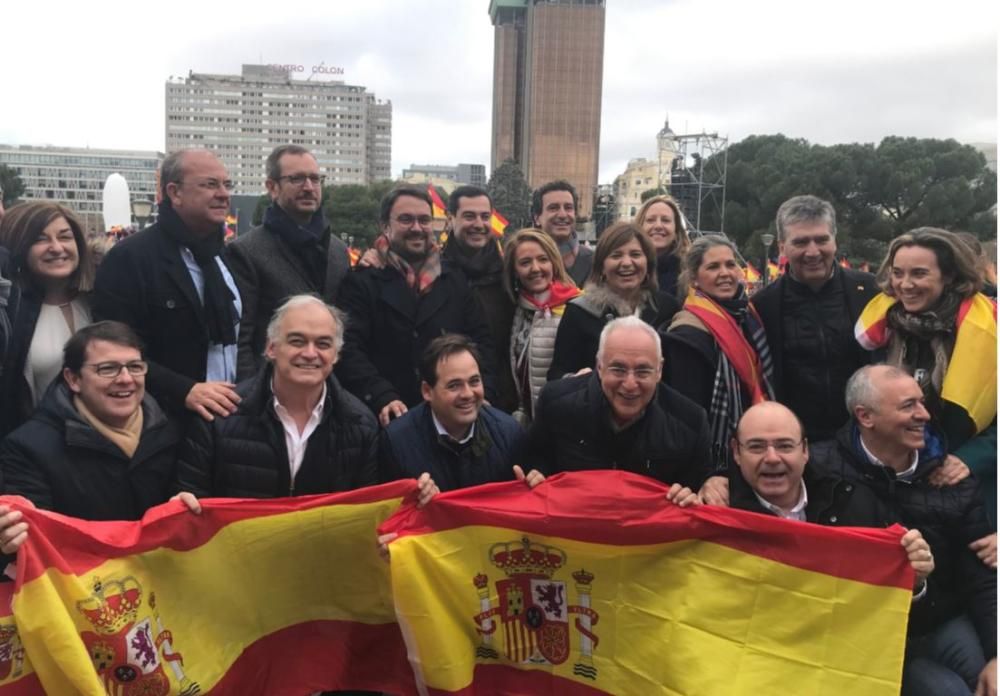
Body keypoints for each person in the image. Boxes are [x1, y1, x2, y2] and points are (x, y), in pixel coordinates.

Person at [798, 366, 994, 696]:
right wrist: (715, 478)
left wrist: (998, 654)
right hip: (856, 632)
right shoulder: (816, 469)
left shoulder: (952, 479)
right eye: (908, 406)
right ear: (865, 416)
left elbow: (982, 575)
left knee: (987, 678)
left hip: (936, 619)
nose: (925, 415)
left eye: (922, 402)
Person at [857, 227, 997, 544]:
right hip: (895, 487)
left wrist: (972, 457)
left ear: (948, 276)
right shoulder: (882, 326)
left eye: (919, 273)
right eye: (898, 273)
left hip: (969, 492)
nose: (905, 285)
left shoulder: (990, 328)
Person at [0, 322, 182, 556]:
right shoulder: (28, 449)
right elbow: (30, 546)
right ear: (73, 379)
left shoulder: (173, 430)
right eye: (107, 369)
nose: (126, 379)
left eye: (135, 367)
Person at [174, 295, 380, 499]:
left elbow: (365, 512)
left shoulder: (361, 424)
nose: (310, 353)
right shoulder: (220, 415)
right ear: (271, 348)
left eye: (323, 344)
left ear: (336, 354)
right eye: (297, 341)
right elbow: (190, 503)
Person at [93, 149, 243, 422]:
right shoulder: (130, 258)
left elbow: (243, 339)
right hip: (165, 422)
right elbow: (112, 350)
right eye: (210, 184)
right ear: (174, 193)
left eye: (226, 184)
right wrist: (184, 390)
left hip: (230, 417)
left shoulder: (226, 257)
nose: (224, 194)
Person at [335, 186, 495, 426]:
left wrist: (483, 391)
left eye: (424, 220)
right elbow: (348, 348)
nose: (417, 228)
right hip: (389, 415)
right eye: (406, 220)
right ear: (385, 225)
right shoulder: (362, 280)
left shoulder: (454, 279)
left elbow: (481, 341)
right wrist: (381, 395)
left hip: (451, 415)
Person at [525, 316, 712, 491]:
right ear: (599, 366)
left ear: (659, 370)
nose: (630, 384)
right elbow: (535, 458)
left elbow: (702, 483)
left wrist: (702, 488)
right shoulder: (556, 403)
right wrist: (534, 474)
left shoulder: (691, 423)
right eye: (618, 369)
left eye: (642, 371)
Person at [752, 194, 878, 441]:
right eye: (800, 242)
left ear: (835, 240)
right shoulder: (762, 306)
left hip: (866, 437)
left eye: (821, 240)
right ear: (782, 247)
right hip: (797, 441)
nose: (813, 252)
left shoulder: (871, 292)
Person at [664, 236, 774, 501]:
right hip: (713, 469)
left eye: (730, 264)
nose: (725, 273)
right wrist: (706, 474)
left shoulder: (748, 317)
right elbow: (687, 413)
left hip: (752, 448)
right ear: (694, 279)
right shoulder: (687, 332)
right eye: (713, 267)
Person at [227, 145, 351, 381]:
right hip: (271, 390)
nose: (308, 187)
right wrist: (251, 399)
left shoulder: (338, 250)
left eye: (315, 179)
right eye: (296, 179)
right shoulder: (245, 251)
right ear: (272, 187)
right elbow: (241, 339)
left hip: (328, 389)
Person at [379, 334, 527, 492]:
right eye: (454, 385)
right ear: (427, 391)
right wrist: (415, 500)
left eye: (474, 381)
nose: (468, 394)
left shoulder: (509, 433)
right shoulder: (396, 442)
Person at [0, 202, 94, 436]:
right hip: (31, 450)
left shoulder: (101, 299)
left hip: (100, 449)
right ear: (19, 245)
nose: (56, 247)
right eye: (40, 239)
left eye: (65, 237)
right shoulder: (11, 311)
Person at [548, 221, 680, 379]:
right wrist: (576, 380)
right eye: (616, 255)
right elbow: (556, 374)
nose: (626, 263)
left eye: (635, 255)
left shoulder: (667, 308)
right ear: (601, 266)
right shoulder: (579, 311)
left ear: (648, 263)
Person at [440, 186, 517, 412]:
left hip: (501, 399)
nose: (479, 224)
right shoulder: (433, 273)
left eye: (485, 217)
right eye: (469, 216)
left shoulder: (510, 275)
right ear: (451, 218)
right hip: (448, 398)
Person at [503, 228, 580, 424]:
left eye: (542, 259)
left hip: (564, 422)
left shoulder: (577, 307)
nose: (535, 268)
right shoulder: (519, 308)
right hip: (530, 421)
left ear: (554, 262)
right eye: (525, 262)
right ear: (514, 270)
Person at [531, 180, 593, 287]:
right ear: (537, 218)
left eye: (568, 208)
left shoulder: (595, 263)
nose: (562, 214)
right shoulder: (522, 262)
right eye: (553, 208)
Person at [634, 194, 690, 297]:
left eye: (665, 220)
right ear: (639, 227)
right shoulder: (626, 268)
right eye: (650, 220)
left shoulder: (691, 272)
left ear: (676, 231)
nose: (658, 226)